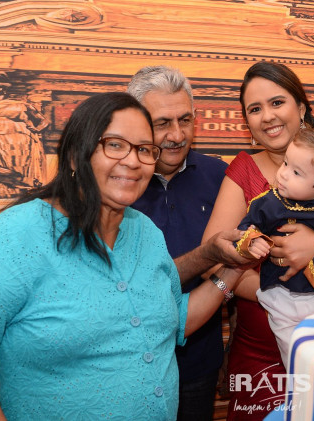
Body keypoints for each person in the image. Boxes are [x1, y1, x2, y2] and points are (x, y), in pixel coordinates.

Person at [0, 92, 256, 420]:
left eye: (144, 149)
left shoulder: (146, 233)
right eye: (115, 145)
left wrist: (234, 268)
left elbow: (172, 318)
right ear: (75, 156)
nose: (133, 161)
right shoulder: (19, 235)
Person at [202, 61, 314, 420]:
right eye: (255, 109)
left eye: (277, 102)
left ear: (301, 107)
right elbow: (214, 260)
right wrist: (280, 291)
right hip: (260, 348)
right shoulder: (243, 170)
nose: (267, 116)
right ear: (247, 122)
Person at [127, 65, 227, 421]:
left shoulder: (221, 176)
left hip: (198, 363)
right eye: (162, 123)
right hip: (128, 365)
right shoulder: (118, 182)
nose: (177, 135)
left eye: (185, 120)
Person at [232, 128, 314, 366]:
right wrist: (252, 240)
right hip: (281, 298)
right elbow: (244, 228)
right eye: (286, 163)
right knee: (296, 362)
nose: (283, 174)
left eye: (296, 172)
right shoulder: (268, 202)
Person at [0, 73, 48, 197]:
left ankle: (19, 183)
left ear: (3, 88)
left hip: (15, 146)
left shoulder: (19, 105)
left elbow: (43, 121)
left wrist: (38, 129)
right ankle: (22, 181)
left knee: (10, 168)